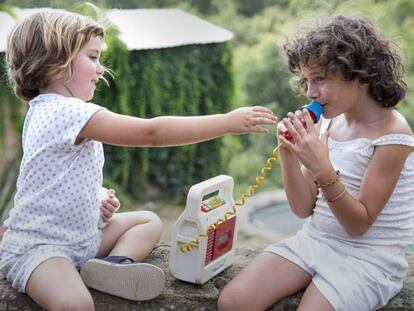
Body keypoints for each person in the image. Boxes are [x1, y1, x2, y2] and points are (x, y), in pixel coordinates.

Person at [0, 9, 277, 311]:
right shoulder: (65, 111)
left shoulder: (45, 110)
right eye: (92, 57)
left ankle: (113, 267)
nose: (101, 69)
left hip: (81, 238)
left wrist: (95, 196)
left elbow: (52, 176)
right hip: (42, 248)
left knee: (148, 221)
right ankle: (102, 269)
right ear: (55, 61)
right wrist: (225, 122)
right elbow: (152, 133)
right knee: (75, 305)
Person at [218, 14, 414, 311]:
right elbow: (302, 209)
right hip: (316, 240)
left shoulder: (392, 136)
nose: (310, 92)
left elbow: (358, 225)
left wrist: (323, 169)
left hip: (369, 258)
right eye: (307, 81)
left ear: (360, 75)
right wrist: (287, 152)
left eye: (320, 79)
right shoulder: (328, 125)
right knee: (233, 301)